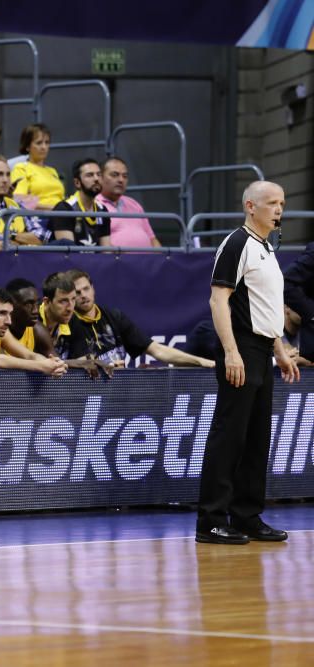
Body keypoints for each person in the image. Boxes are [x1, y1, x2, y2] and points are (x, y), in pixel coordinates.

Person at [195, 181, 298, 544]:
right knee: (230, 436)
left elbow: (266, 308)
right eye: (271, 203)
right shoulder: (237, 243)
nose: (279, 209)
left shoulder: (267, 248)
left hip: (262, 350)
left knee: (256, 438)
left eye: (282, 203)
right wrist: (231, 350)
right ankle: (210, 521)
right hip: (240, 347)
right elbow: (218, 301)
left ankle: (246, 516)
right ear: (251, 206)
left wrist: (281, 350)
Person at [66, 269, 214, 368]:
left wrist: (200, 361)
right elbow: (66, 365)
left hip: (116, 392)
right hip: (85, 395)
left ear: (93, 288)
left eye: (86, 289)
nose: (83, 295)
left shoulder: (113, 316)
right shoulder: (68, 323)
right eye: (77, 293)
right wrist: (102, 365)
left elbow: (157, 350)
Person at [0, 154, 50, 248]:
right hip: (2, 260)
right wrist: (26, 241)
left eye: (8, 174)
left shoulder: (15, 205)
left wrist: (12, 235)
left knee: (63, 243)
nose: (5, 180)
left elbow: (42, 237)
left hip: (27, 257)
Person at [95, 156, 161, 247]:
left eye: (125, 176)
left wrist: (162, 259)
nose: (121, 180)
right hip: (117, 260)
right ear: (100, 178)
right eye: (114, 175)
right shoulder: (94, 205)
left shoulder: (133, 203)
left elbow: (152, 239)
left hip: (149, 260)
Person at [52, 158, 112, 246]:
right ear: (77, 183)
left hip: (97, 259)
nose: (96, 179)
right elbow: (68, 255)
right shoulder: (64, 209)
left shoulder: (102, 210)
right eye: (90, 175)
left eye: (99, 174)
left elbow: (106, 252)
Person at [10, 122, 65, 211]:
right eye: (39, 143)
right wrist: (55, 209)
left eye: (47, 142)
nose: (44, 147)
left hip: (61, 215)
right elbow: (19, 201)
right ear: (27, 146)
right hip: (38, 219)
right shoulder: (21, 168)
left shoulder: (52, 171)